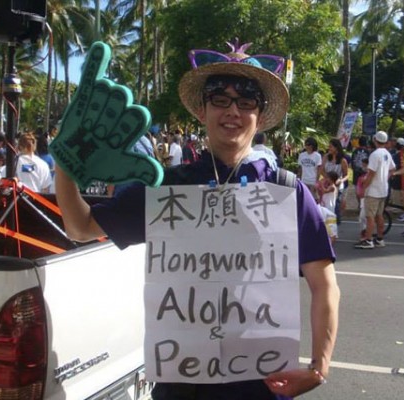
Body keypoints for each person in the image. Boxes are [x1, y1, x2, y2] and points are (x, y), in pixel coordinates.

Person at [54, 41, 339, 400]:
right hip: (180, 386)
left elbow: (324, 285)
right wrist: (65, 165)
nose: (232, 110)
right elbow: (80, 228)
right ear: (202, 111)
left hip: (262, 388)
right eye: (220, 98)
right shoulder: (168, 187)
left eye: (246, 100)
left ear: (260, 115)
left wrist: (319, 367)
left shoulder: (286, 191)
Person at [355, 131, 395, 249]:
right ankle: (380, 238)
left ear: (375, 140)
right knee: (379, 215)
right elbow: (393, 169)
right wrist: (385, 178)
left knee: (370, 216)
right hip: (383, 189)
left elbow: (371, 173)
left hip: (373, 190)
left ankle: (368, 240)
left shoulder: (374, 154)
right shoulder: (387, 153)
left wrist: (364, 187)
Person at [320, 138, 349, 224]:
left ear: (337, 148)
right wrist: (327, 178)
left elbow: (346, 175)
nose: (329, 148)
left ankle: (335, 223)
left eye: (331, 147)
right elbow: (321, 170)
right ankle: (328, 221)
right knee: (327, 204)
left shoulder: (343, 161)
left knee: (336, 204)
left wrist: (341, 180)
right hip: (327, 184)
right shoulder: (326, 157)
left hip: (337, 186)